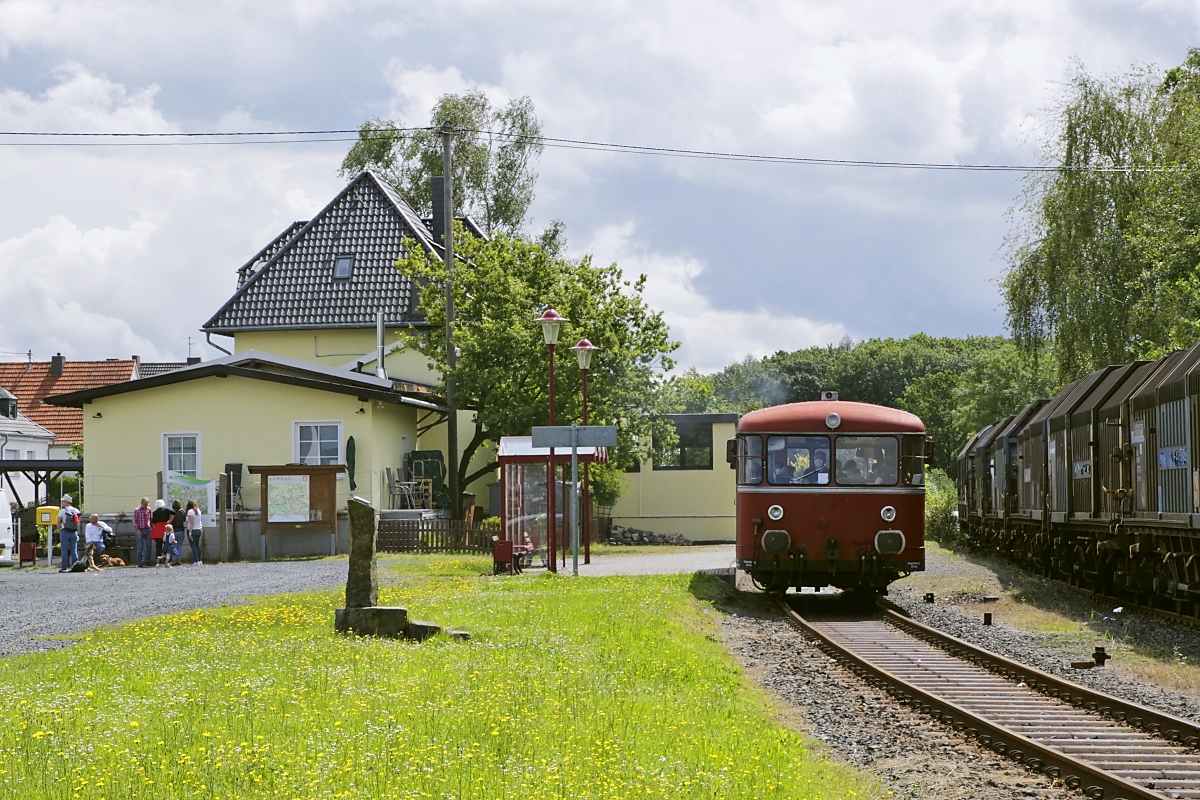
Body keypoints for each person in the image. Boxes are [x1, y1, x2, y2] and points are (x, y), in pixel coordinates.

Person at [57, 495, 81, 573]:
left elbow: (58, 522)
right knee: (74, 549)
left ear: (67, 502)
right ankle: (75, 566)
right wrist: (77, 530)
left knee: (64, 550)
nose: (62, 503)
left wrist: (59, 529)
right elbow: (78, 522)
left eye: (63, 501)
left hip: (64, 531)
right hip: (73, 532)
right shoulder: (76, 510)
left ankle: (64, 567)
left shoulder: (62, 511)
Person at [150, 500, 172, 564]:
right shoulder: (166, 510)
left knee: (158, 547)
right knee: (167, 546)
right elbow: (173, 512)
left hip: (158, 529)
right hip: (165, 528)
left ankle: (158, 562)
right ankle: (166, 561)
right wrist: (170, 520)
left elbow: (153, 521)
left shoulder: (155, 512)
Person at [132, 497, 153, 567]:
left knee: (149, 545)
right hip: (140, 529)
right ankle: (140, 561)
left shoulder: (149, 510)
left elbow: (151, 519)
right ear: (141, 503)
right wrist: (137, 529)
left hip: (147, 529)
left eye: (146, 504)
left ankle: (148, 560)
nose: (145, 506)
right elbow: (134, 520)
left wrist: (152, 527)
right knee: (140, 547)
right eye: (144, 504)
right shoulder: (137, 510)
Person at [185, 499, 203, 565]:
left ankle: (196, 561)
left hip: (193, 530)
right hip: (199, 529)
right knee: (197, 545)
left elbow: (192, 522)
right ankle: (200, 560)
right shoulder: (198, 510)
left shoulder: (190, 511)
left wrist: (190, 532)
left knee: (193, 546)